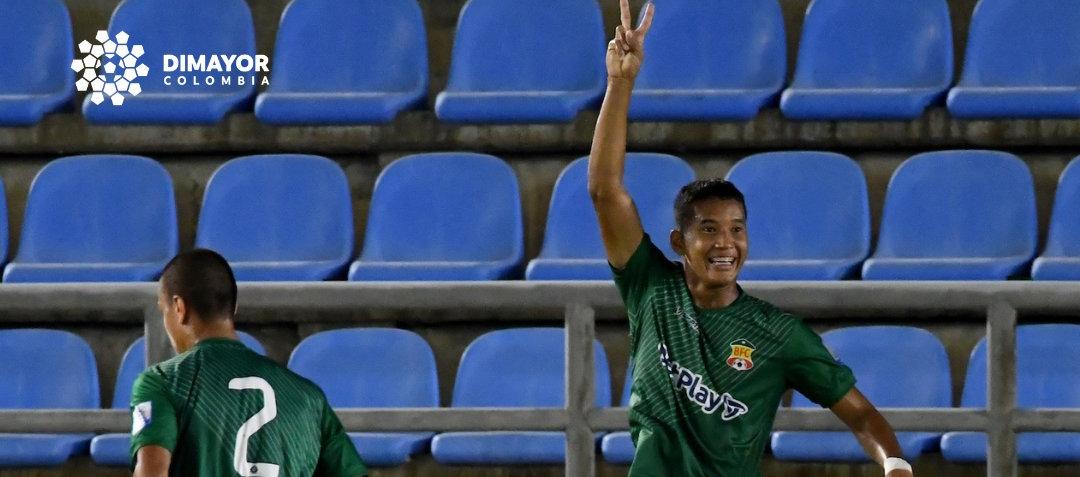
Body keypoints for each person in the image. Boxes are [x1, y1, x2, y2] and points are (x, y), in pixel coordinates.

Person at [589, 2, 915, 476]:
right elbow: (604, 191)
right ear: (678, 243)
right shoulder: (650, 288)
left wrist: (896, 464)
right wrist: (620, 82)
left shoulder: (778, 334)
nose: (726, 243)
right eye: (709, 230)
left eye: (736, 230)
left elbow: (861, 414)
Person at [130, 249, 368, 477]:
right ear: (233, 308)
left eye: (164, 311)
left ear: (179, 308)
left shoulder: (162, 382)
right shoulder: (310, 397)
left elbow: (153, 472)